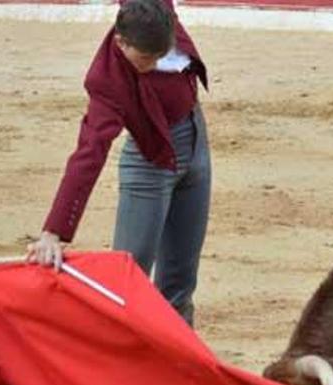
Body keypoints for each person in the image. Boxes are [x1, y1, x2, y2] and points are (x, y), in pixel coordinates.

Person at [26, 0, 210, 327]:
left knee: (180, 284)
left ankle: (177, 370)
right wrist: (54, 231)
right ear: (121, 43)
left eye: (160, 55)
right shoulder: (107, 82)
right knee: (128, 281)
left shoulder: (157, 13)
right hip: (149, 165)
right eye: (146, 58)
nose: (154, 65)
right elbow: (89, 152)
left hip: (196, 145)